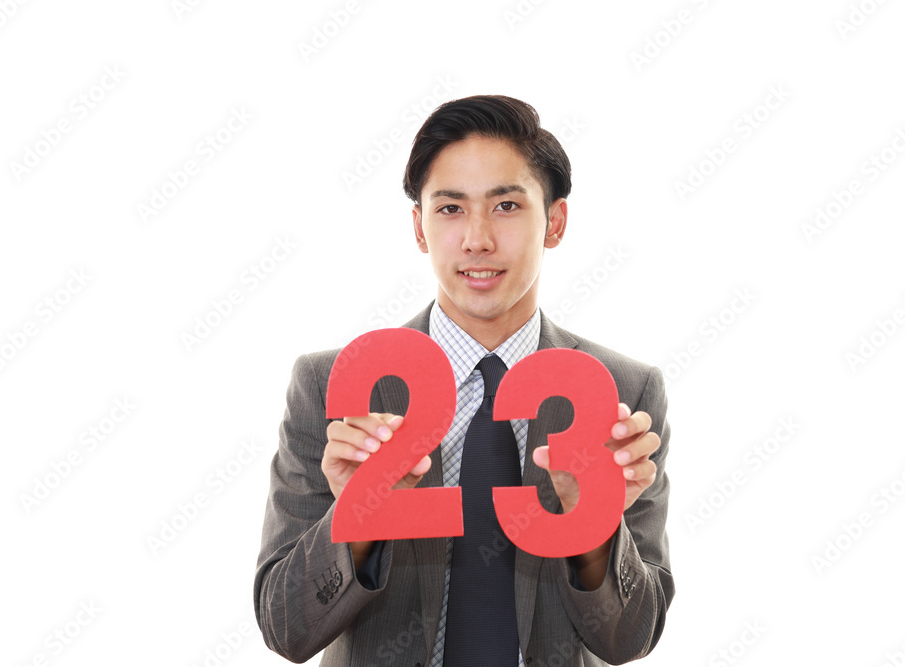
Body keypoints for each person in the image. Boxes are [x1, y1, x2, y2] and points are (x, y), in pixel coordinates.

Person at [254, 94, 674, 666]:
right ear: (420, 228)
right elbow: (286, 629)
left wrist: (595, 527)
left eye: (506, 205)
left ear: (554, 222)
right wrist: (360, 517)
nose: (477, 239)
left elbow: (629, 641)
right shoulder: (333, 388)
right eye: (451, 208)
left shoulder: (624, 394)